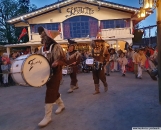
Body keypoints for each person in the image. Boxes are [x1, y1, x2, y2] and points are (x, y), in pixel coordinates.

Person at [37, 26, 66, 127]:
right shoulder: (41, 49)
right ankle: (61, 105)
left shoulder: (56, 47)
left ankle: (47, 117)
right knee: (53, 91)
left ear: (48, 37)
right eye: (41, 35)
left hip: (56, 73)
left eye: (43, 35)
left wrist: (57, 62)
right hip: (46, 74)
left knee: (50, 93)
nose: (41, 36)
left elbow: (63, 59)